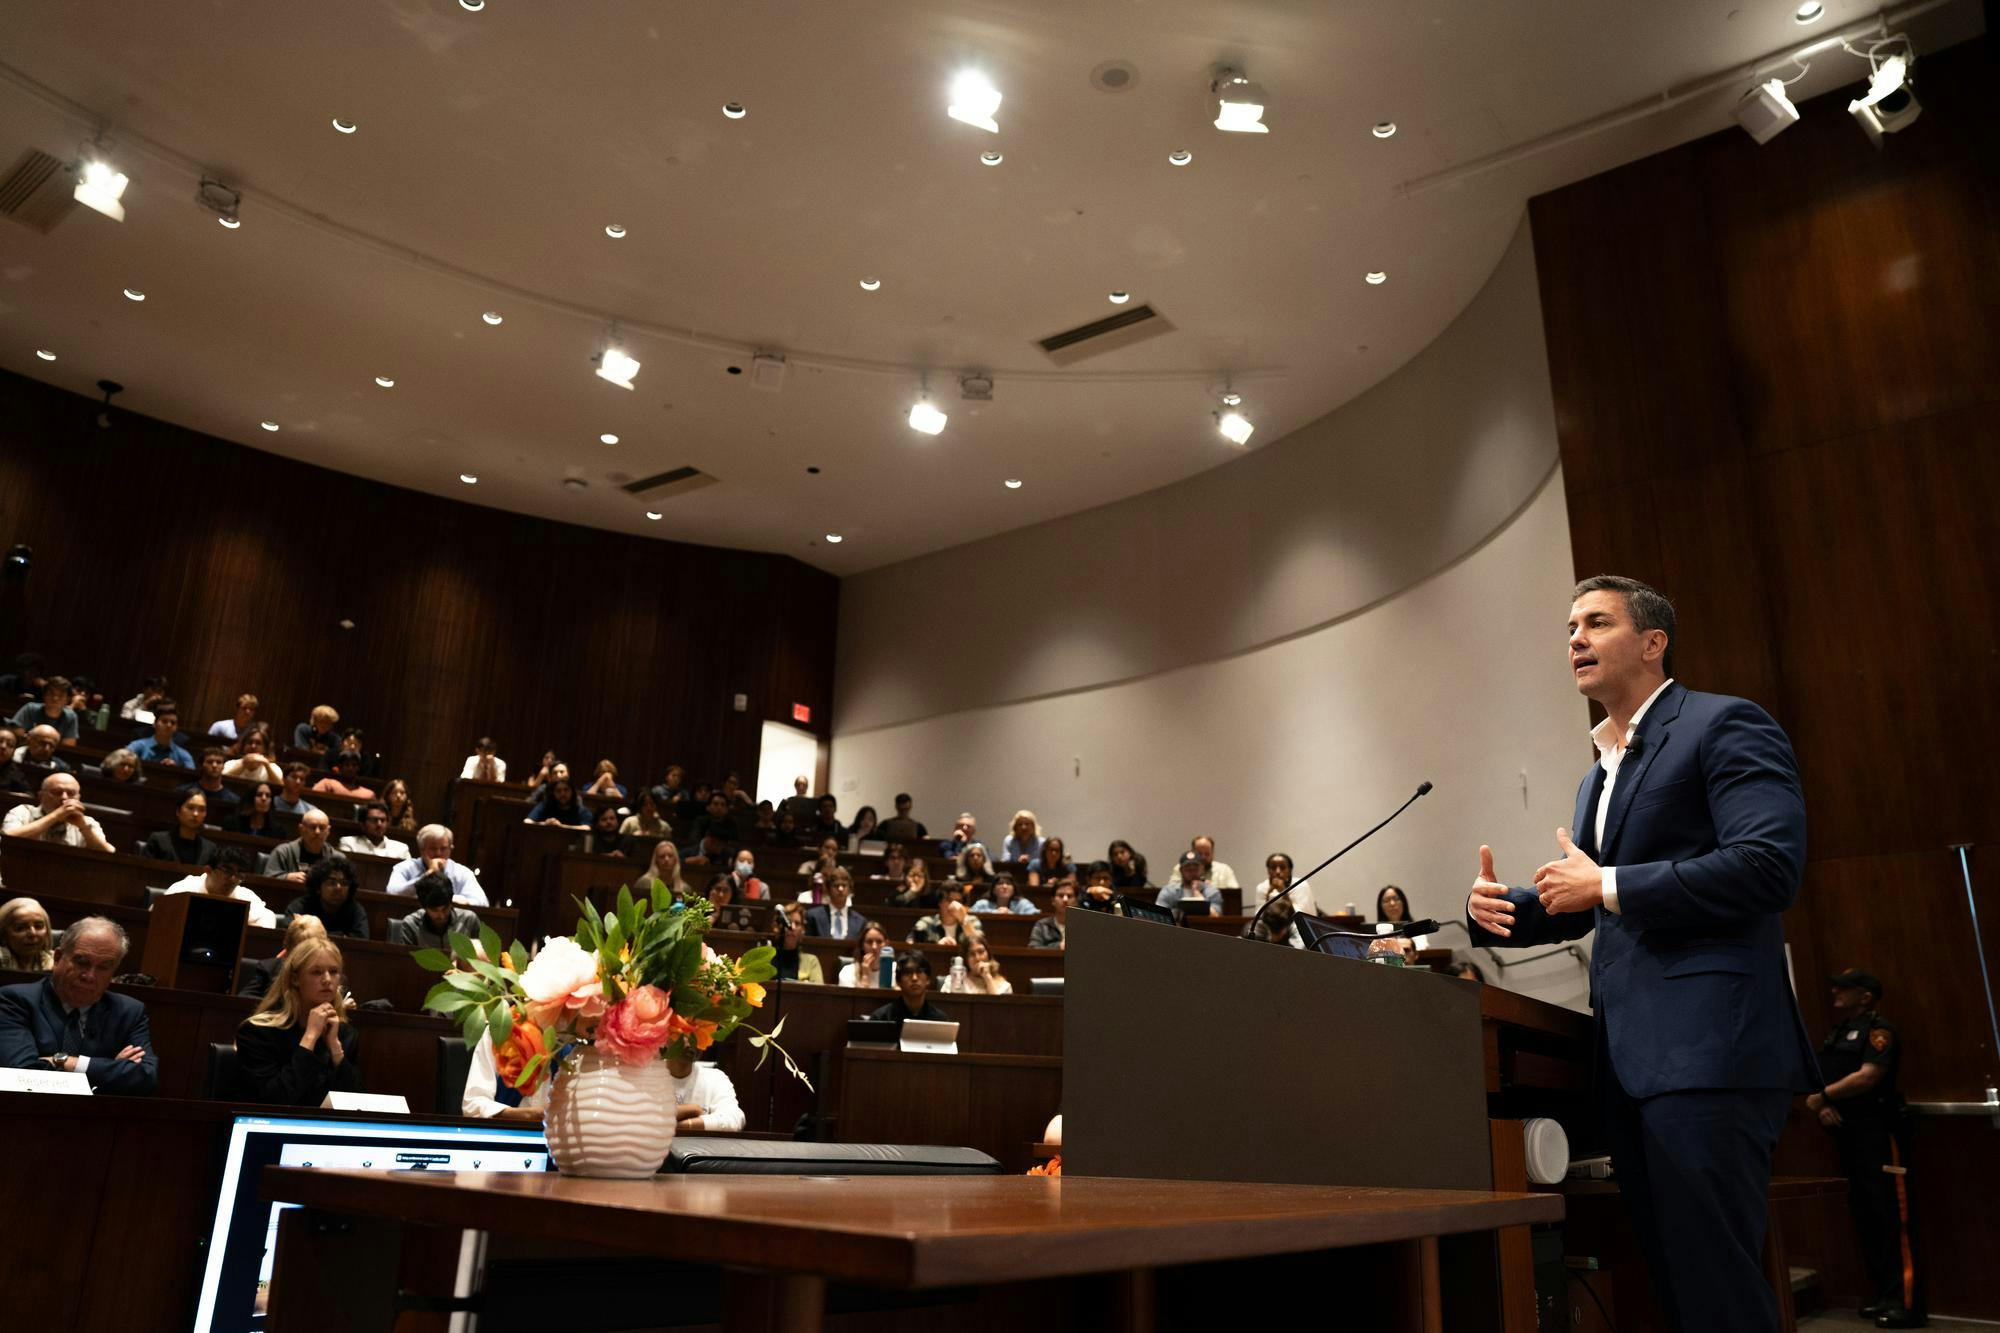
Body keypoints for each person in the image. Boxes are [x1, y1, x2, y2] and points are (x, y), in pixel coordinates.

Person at [1467, 575, 1818, 1333]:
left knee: (1719, 1288)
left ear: (1654, 643)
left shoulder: (1724, 725)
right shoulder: (1600, 771)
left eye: (1596, 622)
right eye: (1569, 627)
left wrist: (1609, 883)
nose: (1575, 639)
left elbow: (1768, 865)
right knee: (1675, 1286)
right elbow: (1585, 899)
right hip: (1630, 1065)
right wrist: (1497, 914)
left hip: (1708, 1055)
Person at [1808, 970, 1924, 1328]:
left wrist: (1824, 1096)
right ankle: (1885, 1293)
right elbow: (1825, 1075)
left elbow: (1870, 1075)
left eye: (1845, 989)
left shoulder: (1879, 1031)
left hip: (1879, 1131)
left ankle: (1907, 1302)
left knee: (1894, 1216)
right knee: (1868, 1215)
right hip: (1849, 1134)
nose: (1835, 993)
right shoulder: (1838, 1033)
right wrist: (1824, 1104)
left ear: (1866, 997)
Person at [0, 917, 157, 1094]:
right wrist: (111, 1067)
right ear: (58, 958)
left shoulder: (129, 1011)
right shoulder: (14, 1000)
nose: (90, 976)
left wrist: (65, 1062)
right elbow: (22, 1074)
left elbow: (145, 1076)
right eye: (82, 962)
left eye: (104, 967)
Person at [235, 936, 363, 1106]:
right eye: (316, 972)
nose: (327, 979)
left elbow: (354, 1105)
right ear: (295, 979)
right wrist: (309, 1037)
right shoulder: (256, 1032)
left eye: (333, 971)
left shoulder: (344, 1034)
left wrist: (335, 1049)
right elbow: (273, 1101)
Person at [160, 846, 278, 927]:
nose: (233, 879)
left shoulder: (245, 895)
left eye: (239, 874)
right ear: (208, 870)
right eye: (227, 871)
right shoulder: (185, 888)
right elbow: (160, 912)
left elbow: (268, 918)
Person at [4, 772, 114, 852]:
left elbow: (108, 854)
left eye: (71, 793)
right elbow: (6, 840)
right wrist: (56, 815)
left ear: (78, 798)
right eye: (57, 792)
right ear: (41, 796)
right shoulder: (22, 812)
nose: (64, 798)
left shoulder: (87, 822)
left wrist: (84, 827)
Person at [385, 825, 488, 905]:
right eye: (433, 848)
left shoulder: (462, 873)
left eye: (443, 849)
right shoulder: (404, 867)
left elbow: (481, 902)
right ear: (422, 849)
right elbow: (392, 893)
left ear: (450, 849)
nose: (438, 853)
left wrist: (447, 899)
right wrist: (428, 875)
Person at [462, 1028, 550, 1121]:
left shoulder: (564, 1044)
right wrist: (526, 1115)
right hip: (502, 1131)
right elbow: (472, 1105)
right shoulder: (500, 1030)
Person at [237, 915, 328, 1001]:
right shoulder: (269, 969)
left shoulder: (330, 977)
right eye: (300, 951)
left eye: (311, 952)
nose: (305, 958)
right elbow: (244, 1001)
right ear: (287, 947)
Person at [387, 872, 482, 949]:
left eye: (445, 908)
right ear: (423, 906)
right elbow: (407, 965)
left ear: (451, 903)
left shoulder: (469, 920)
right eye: (434, 910)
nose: (441, 915)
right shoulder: (411, 924)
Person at [284, 856, 370, 939]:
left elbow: (361, 940)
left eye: (344, 883)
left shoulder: (355, 910)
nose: (338, 888)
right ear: (318, 887)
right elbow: (289, 932)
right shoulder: (301, 906)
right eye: (331, 883)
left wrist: (313, 934)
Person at [866, 952, 948, 1034]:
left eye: (919, 972)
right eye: (908, 973)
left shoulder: (941, 1021)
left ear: (928, 979)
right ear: (898, 981)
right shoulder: (881, 1019)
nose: (914, 978)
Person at [141, 789, 221, 868]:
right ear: (178, 811)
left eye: (201, 809)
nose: (196, 814)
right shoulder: (158, 841)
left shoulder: (210, 849)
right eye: (190, 808)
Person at [669, 1052, 745, 1132]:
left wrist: (683, 1125)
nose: (691, 1043)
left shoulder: (715, 1078)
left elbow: (734, 1119)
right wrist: (690, 1110)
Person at [266, 809, 337, 881]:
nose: (317, 832)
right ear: (301, 829)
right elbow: (266, 879)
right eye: (312, 827)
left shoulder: (336, 858)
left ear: (328, 831)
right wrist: (286, 877)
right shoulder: (283, 852)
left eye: (322, 828)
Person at [11, 676, 78, 747]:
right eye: (51, 693)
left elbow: (68, 745)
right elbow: (16, 735)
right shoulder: (30, 708)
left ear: (67, 699)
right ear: (44, 695)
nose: (55, 698)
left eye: (61, 695)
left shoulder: (71, 716)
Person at [1247, 852, 1317, 919]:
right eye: (1273, 868)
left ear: (1289, 870)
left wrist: (1283, 892)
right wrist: (1268, 894)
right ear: (1268, 870)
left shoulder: (1301, 885)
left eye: (1282, 868)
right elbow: (1259, 917)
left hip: (1294, 925)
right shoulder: (1262, 887)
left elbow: (1301, 917)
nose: (1277, 872)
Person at [804, 867, 867, 942]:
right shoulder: (813, 916)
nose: (840, 889)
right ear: (828, 890)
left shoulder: (860, 921)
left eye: (844, 885)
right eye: (836, 886)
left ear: (850, 890)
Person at [129, 699, 193, 769]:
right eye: (164, 721)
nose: (169, 725)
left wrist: (176, 769)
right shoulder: (137, 746)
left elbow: (191, 775)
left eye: (173, 723)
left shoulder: (184, 755)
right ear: (154, 724)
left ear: (176, 727)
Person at [772, 903, 825, 984]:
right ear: (778, 926)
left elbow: (819, 992)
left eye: (797, 923)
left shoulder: (811, 961)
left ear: (803, 929)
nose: (792, 928)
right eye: (788, 922)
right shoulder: (765, 959)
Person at [177, 747, 243, 812]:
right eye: (209, 762)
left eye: (219, 762)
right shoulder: (183, 792)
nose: (214, 765)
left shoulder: (233, 800)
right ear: (201, 766)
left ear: (223, 766)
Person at [339, 802, 412, 860]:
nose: (379, 824)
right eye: (374, 820)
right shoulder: (348, 843)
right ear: (362, 824)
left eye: (383, 820)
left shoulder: (401, 849)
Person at [0, 897, 55, 971]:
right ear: (4, 935)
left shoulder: (56, 961)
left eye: (39, 926)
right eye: (20, 928)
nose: (32, 934)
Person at [1157, 852, 1221, 915]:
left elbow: (1215, 916)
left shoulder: (1212, 891)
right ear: (1181, 870)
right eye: (1188, 867)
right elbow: (1159, 914)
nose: (1192, 871)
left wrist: (1197, 893)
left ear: (1202, 869)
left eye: (1195, 867)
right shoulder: (1169, 890)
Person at [946, 935, 1012, 995]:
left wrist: (987, 977)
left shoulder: (1004, 986)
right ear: (966, 959)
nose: (977, 958)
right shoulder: (954, 981)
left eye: (981, 952)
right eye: (971, 954)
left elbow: (998, 1007)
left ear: (988, 954)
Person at [909, 892, 981, 947]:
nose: (954, 905)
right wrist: (937, 948)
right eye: (949, 900)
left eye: (958, 901)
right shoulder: (926, 921)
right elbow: (910, 943)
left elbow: (980, 945)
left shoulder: (972, 921)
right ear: (940, 902)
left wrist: (963, 919)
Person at [224, 781, 289, 839]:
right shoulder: (232, 823)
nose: (264, 798)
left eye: (268, 795)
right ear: (250, 799)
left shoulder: (278, 832)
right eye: (259, 795)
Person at [524, 776, 592, 831]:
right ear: (553, 793)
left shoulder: (581, 810)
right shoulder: (545, 805)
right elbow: (527, 821)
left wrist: (561, 826)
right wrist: (545, 824)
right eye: (558, 791)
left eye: (566, 790)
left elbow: (587, 828)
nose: (563, 794)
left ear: (572, 792)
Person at [837, 923, 891, 988]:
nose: (874, 947)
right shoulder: (847, 972)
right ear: (862, 945)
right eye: (869, 942)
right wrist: (865, 977)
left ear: (886, 944)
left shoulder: (895, 971)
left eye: (879, 941)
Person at [311, 753, 376, 803]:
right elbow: (312, 799)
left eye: (354, 765)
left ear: (358, 768)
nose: (350, 768)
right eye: (347, 765)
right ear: (340, 767)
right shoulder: (327, 784)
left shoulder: (368, 794)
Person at [1029, 881, 1076, 949]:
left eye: (1069, 896)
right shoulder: (1042, 925)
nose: (1065, 899)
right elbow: (1033, 948)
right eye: (1060, 895)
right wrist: (1059, 946)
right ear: (1053, 900)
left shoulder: (1083, 926)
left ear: (1076, 901)